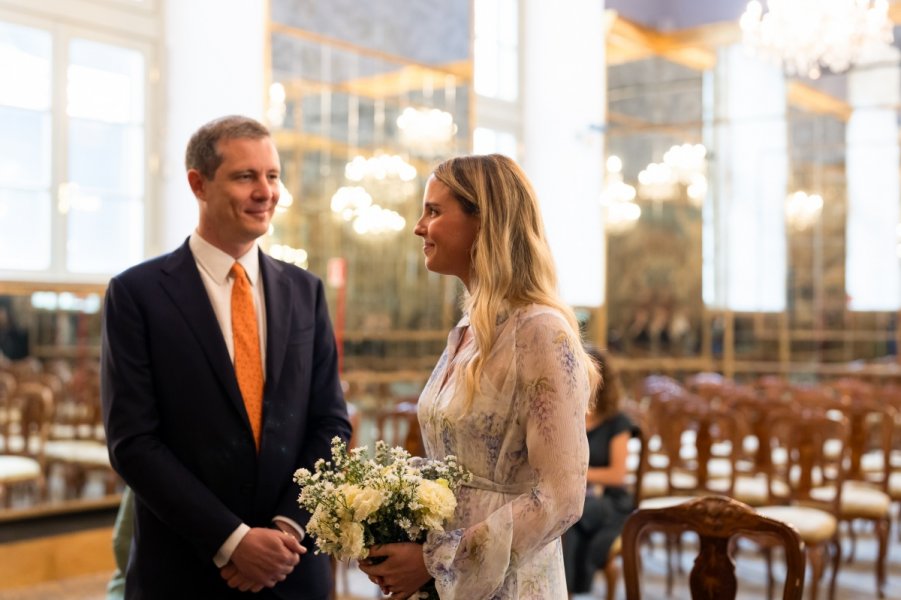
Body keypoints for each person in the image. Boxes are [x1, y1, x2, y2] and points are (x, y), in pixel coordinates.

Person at [101, 115, 351, 599]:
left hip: (291, 568)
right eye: (245, 176)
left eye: (272, 176)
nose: (266, 192)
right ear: (199, 184)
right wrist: (232, 542)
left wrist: (286, 529)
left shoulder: (305, 291)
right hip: (185, 570)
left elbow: (330, 425)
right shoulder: (137, 294)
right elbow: (133, 442)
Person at [358, 154, 598, 599]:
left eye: (433, 211)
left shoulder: (540, 330)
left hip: (507, 581)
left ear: (484, 222)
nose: (418, 226)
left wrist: (438, 561)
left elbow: (562, 498)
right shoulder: (467, 332)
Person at [562, 347, 638, 596]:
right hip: (574, 495)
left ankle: (569, 590)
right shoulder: (566, 416)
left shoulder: (617, 421)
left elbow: (617, 475)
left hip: (610, 501)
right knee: (563, 516)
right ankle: (565, 591)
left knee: (569, 517)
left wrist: (578, 474)